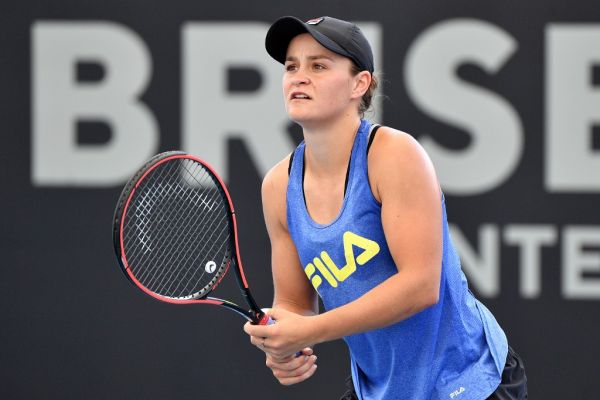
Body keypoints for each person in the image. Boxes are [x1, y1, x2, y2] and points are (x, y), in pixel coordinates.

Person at [244, 15, 527, 400]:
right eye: (291, 66)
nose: (298, 76)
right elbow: (294, 303)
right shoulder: (278, 186)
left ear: (359, 84)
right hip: (379, 389)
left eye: (319, 65)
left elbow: (420, 287)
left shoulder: (394, 155)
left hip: (467, 378)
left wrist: (311, 330)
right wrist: (282, 341)